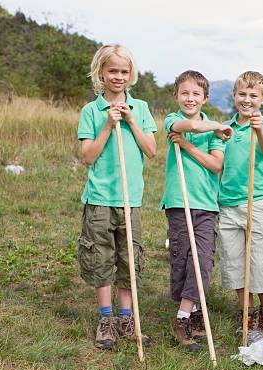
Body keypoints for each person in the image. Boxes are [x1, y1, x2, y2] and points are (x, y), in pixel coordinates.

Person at [77, 44, 156, 349]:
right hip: (100, 198)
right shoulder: (91, 111)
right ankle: (106, 319)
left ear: (130, 74)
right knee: (101, 258)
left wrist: (131, 120)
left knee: (128, 258)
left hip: (130, 198)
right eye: (112, 71)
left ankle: (127, 317)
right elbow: (88, 156)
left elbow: (150, 151)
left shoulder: (142, 108)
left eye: (124, 71)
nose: (119, 76)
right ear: (101, 73)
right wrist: (109, 125)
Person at [161, 70, 232, 351]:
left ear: (205, 98)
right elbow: (185, 127)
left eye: (196, 94)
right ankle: (190, 308)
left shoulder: (215, 132)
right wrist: (212, 126)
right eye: (184, 93)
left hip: (205, 204)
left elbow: (216, 165)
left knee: (202, 261)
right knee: (182, 259)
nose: (190, 98)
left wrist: (188, 147)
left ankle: (183, 316)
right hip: (179, 202)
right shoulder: (172, 120)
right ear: (176, 96)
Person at [217, 71, 263, 335]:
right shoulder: (225, 129)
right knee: (234, 261)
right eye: (242, 94)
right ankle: (247, 312)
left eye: (253, 95)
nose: (247, 99)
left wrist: (259, 129)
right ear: (234, 96)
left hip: (258, 202)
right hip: (229, 203)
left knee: (259, 262)